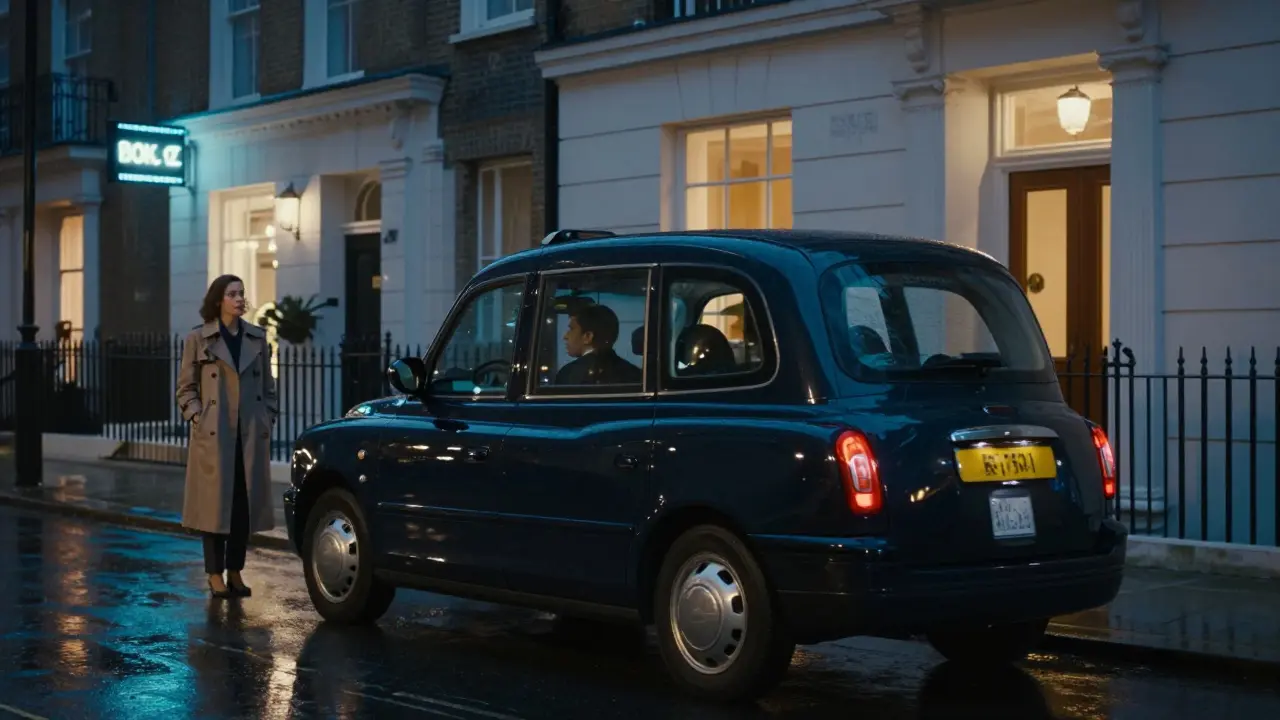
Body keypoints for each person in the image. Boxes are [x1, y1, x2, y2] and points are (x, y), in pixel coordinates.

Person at [176, 275, 278, 599]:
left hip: (248, 435)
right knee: (213, 507)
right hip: (214, 434)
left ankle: (235, 571)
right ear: (219, 299)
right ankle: (214, 573)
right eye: (232, 293)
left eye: (242, 293)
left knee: (241, 508)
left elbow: (269, 389)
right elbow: (185, 388)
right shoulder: (199, 338)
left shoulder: (256, 338)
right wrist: (197, 416)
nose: (239, 299)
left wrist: (267, 417)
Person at [555, 303, 642, 386]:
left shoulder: (568, 374)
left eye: (571, 329)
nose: (565, 336)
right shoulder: (635, 374)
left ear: (588, 336)